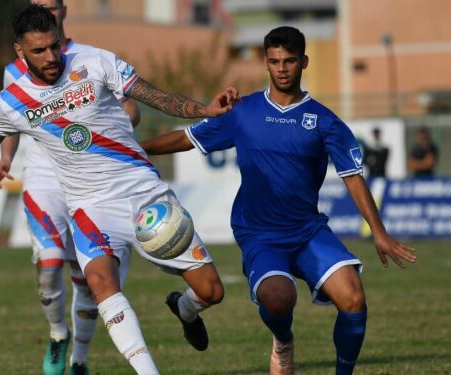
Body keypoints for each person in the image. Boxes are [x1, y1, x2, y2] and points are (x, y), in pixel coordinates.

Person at [0, 5, 239, 374]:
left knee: (211, 292)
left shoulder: (95, 61)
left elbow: (155, 97)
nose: (50, 57)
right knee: (99, 283)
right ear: (19, 52)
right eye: (38, 51)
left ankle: (185, 308)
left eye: (54, 46)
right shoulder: (11, 103)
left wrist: (203, 109)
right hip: (90, 206)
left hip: (144, 193)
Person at [139, 26, 416, 375]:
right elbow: (187, 139)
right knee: (279, 298)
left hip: (308, 231)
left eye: (289, 60)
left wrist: (379, 232)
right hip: (260, 234)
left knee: (354, 298)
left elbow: (353, 179)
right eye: (274, 61)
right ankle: (283, 341)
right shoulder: (244, 112)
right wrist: (135, 149)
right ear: (265, 63)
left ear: (304, 61)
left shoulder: (325, 121)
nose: (282, 68)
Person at [0, 1, 140, 374]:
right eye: (38, 5)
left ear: (63, 10)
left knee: (87, 277)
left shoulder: (89, 60)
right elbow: (10, 121)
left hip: (91, 178)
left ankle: (80, 362)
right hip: (45, 178)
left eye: (50, 5)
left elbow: (129, 106)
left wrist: (116, 122)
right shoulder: (15, 71)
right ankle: (58, 334)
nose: (46, 10)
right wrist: (5, 158)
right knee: (51, 262)